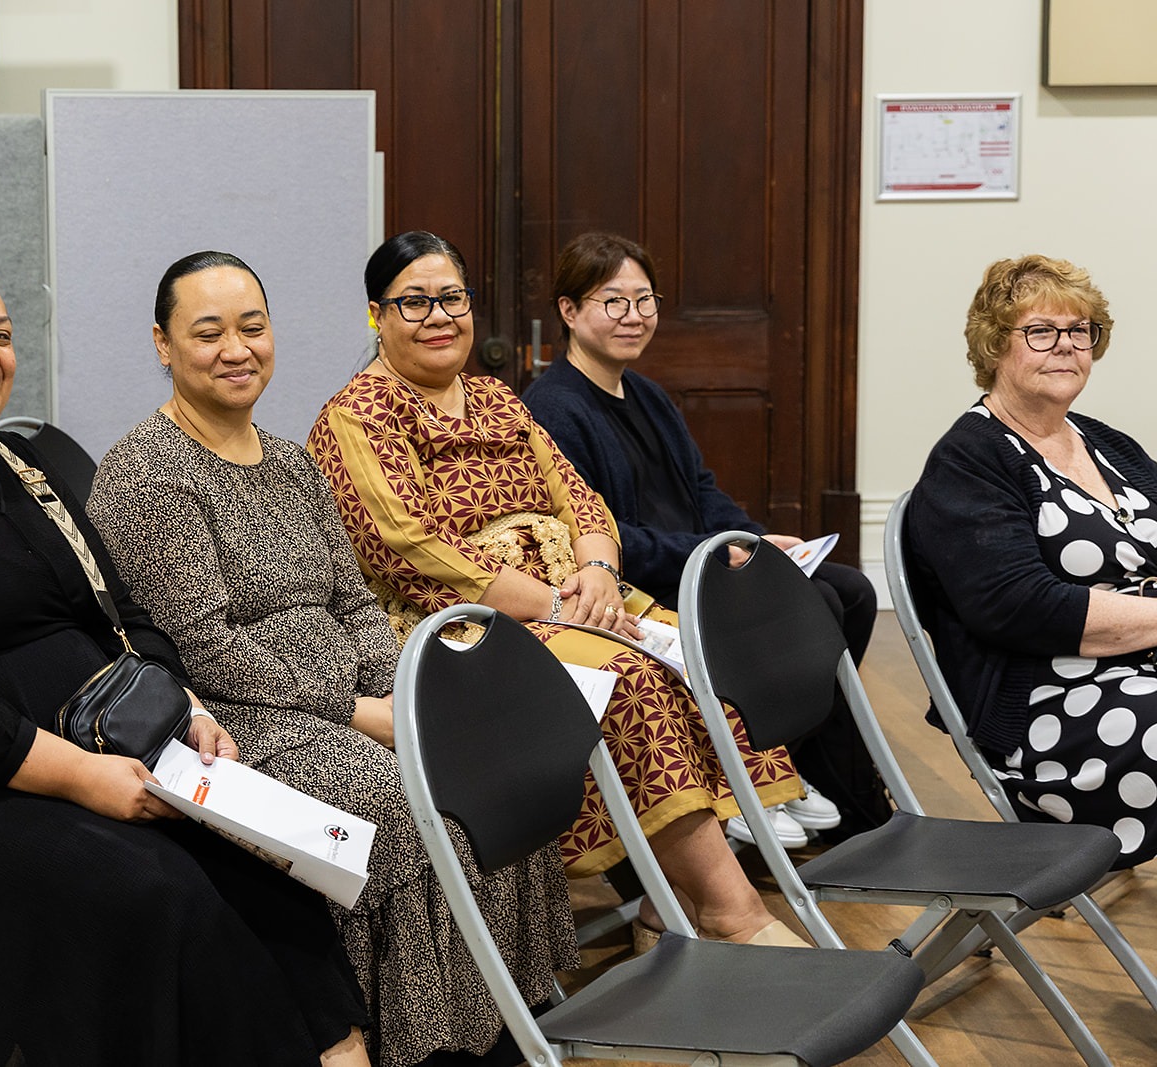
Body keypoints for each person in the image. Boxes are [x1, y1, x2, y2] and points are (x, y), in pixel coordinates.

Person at [0, 255, 371, 1066]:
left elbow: (124, 611)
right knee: (154, 893)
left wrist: (183, 705)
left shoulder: (21, 464)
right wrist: (79, 777)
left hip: (91, 745)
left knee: (265, 870)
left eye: (1, 335)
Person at [88, 251, 575, 1067]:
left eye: (253, 326)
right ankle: (425, 1043)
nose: (236, 348)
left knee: (496, 761)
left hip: (354, 696)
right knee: (401, 803)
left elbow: (352, 601)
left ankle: (503, 1010)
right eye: (208, 332)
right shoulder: (147, 474)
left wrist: (402, 696)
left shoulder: (288, 459)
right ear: (163, 345)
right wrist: (360, 715)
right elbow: (206, 646)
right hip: (242, 720)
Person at [306, 231, 809, 952]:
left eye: (452, 297)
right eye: (413, 301)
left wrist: (600, 570)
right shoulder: (360, 413)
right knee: (629, 677)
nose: (438, 315)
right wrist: (551, 604)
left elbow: (580, 498)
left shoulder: (496, 399)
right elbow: (406, 548)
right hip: (459, 630)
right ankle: (736, 913)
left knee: (701, 652)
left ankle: (665, 909)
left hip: (569, 600)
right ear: (376, 316)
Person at [520, 231, 890, 844]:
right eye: (613, 301)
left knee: (850, 590)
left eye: (645, 300)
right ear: (569, 311)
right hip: (650, 583)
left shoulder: (648, 394)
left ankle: (796, 768)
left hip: (700, 564)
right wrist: (717, 553)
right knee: (817, 605)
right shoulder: (555, 407)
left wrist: (754, 537)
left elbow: (701, 489)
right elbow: (605, 535)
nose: (633, 317)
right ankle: (754, 776)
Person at [907, 253, 1157, 869]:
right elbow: (1019, 607)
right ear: (995, 346)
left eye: (1080, 332)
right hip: (1050, 705)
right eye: (1041, 332)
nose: (1065, 347)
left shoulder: (1108, 444)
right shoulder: (970, 459)